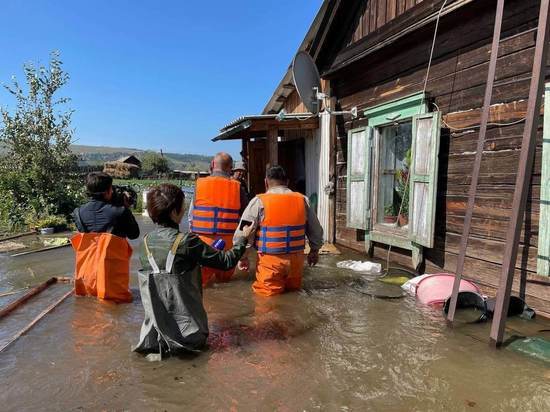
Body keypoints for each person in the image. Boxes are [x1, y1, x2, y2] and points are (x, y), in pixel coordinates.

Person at [133, 184, 253, 358]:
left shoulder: (145, 242)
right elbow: (227, 262)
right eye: (183, 205)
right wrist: (242, 239)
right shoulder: (188, 241)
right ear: (175, 212)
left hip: (155, 336)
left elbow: (166, 273)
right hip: (188, 335)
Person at [233, 165, 324, 297]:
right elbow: (315, 229)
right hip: (296, 262)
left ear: (266, 182)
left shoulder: (258, 202)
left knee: (267, 304)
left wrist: (242, 257)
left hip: (270, 262)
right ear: (287, 182)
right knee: (294, 296)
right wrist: (314, 251)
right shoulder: (303, 200)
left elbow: (244, 232)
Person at [71, 172, 139, 302]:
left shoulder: (77, 213)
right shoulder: (120, 212)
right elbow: (134, 234)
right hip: (112, 279)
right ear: (108, 191)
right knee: (115, 312)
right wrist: (126, 208)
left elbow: (94, 234)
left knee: (89, 306)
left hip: (87, 277)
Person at [188, 152, 249, 286]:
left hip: (202, 244)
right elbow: (246, 221)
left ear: (212, 165)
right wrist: (243, 253)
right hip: (228, 245)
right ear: (230, 168)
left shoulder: (199, 184)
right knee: (226, 283)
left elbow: (191, 217)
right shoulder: (237, 187)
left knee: (201, 286)